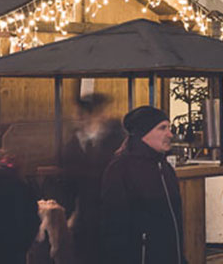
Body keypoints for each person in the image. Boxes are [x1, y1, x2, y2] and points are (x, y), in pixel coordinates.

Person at [98, 105, 183, 263]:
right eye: (162, 128)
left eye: (169, 127)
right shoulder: (121, 169)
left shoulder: (166, 168)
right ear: (144, 133)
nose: (170, 134)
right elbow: (113, 228)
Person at [57, 92, 126, 261]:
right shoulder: (74, 143)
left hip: (113, 217)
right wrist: (68, 214)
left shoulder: (118, 141)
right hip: (85, 218)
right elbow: (68, 184)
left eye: (81, 113)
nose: (76, 117)